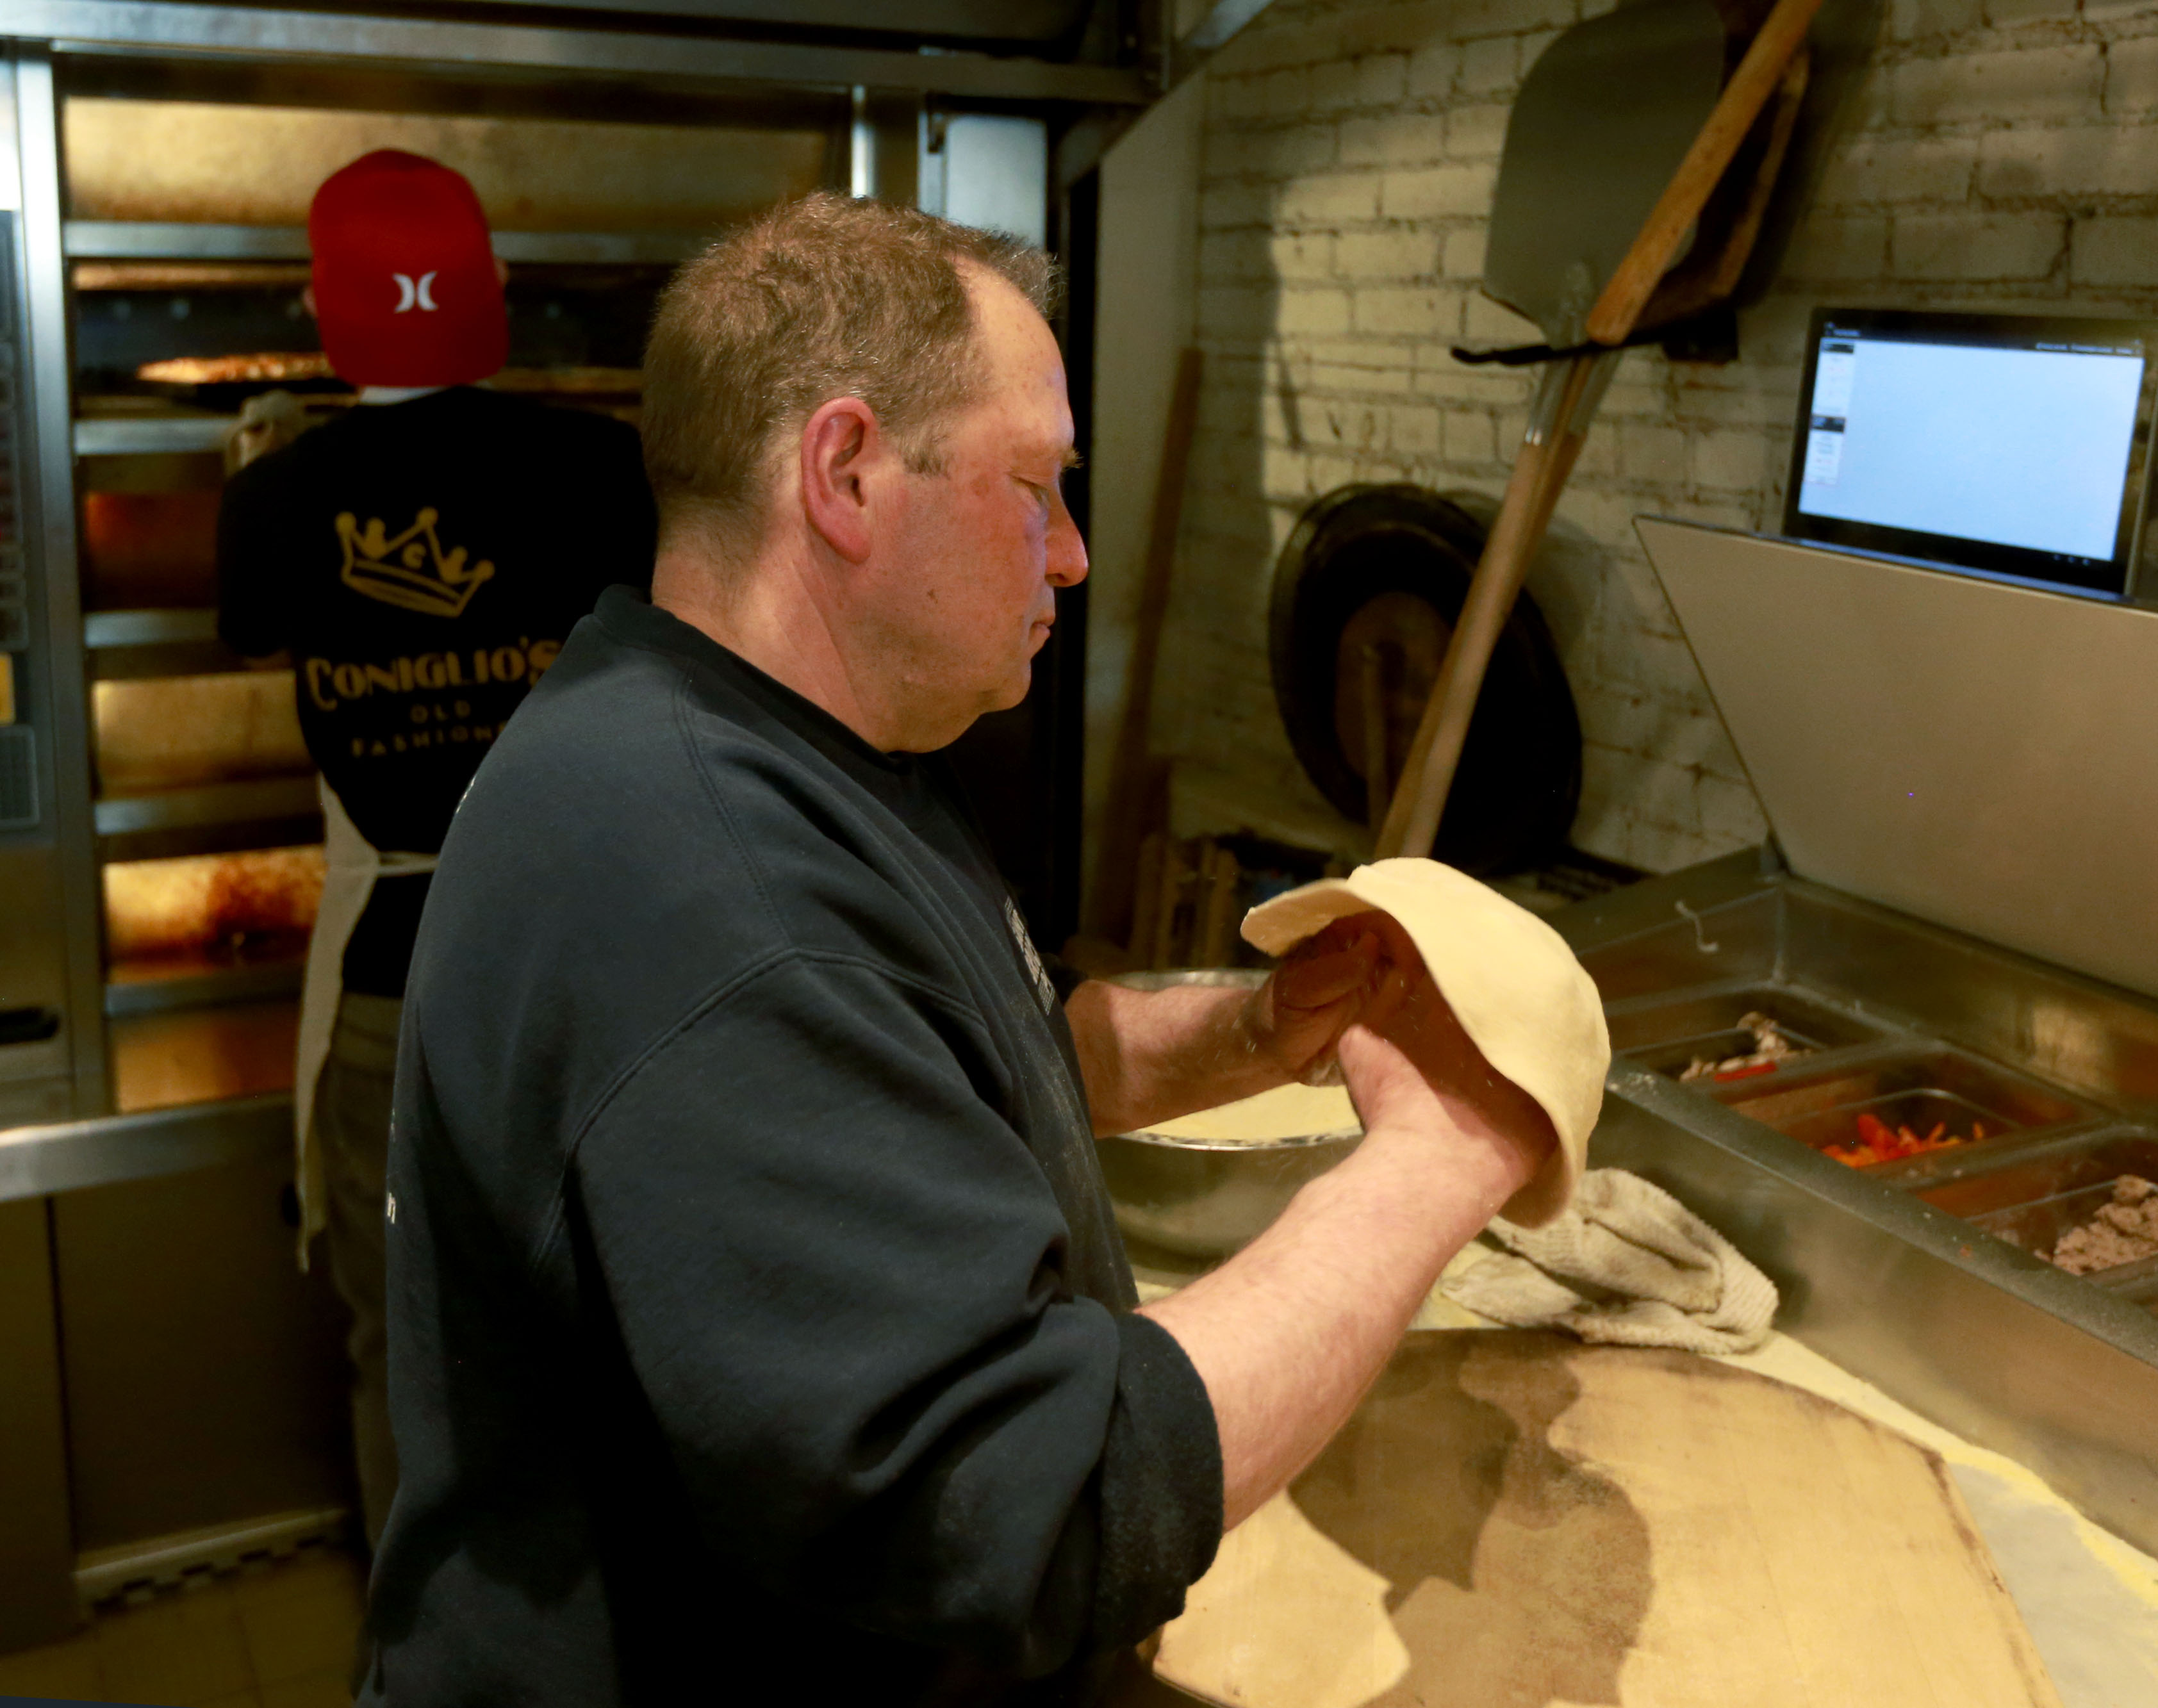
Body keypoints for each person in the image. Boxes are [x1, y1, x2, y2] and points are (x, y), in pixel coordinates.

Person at [365, 194, 1556, 1706]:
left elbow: (949, 1054)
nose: (1066, 554)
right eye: (1035, 488)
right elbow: (1033, 1507)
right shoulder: (710, 899)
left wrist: (1256, 1030)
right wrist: (1445, 1148)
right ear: (847, 473)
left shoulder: (779, 737)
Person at [215, 149, 656, 1554]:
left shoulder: (279, 499)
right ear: (497, 293)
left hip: (395, 987)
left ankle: (435, 1648)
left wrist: (259, 464)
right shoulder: (598, 465)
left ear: (317, 303)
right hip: (582, 976)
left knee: (404, 1341)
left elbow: (242, 622)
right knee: (598, 1324)